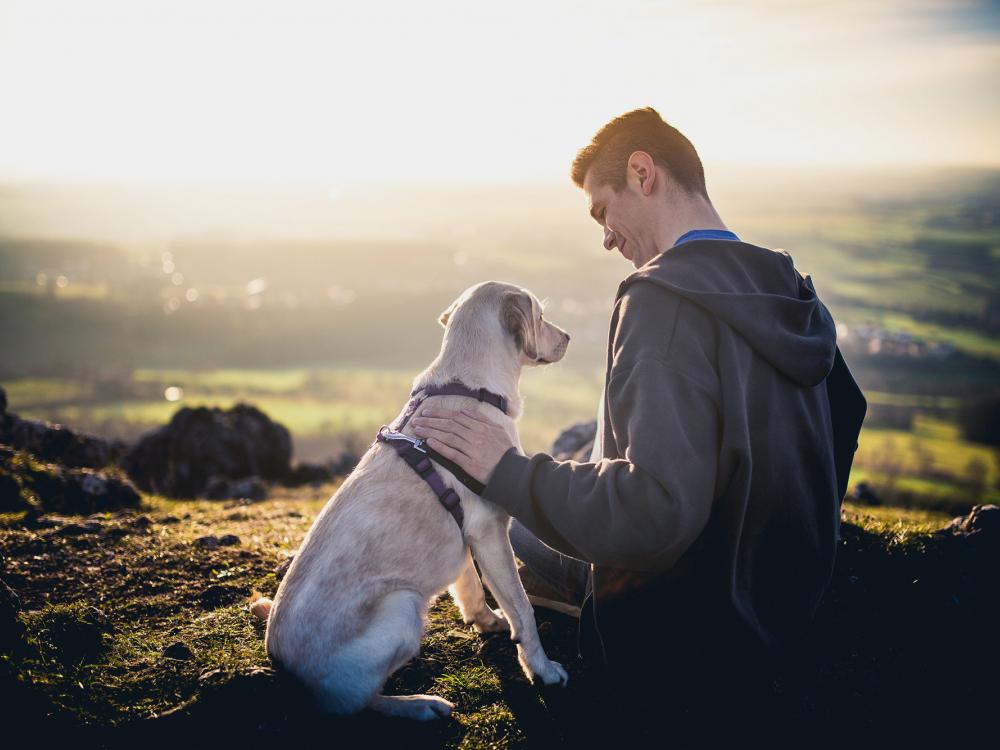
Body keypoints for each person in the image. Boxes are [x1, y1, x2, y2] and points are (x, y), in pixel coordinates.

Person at [410, 107, 867, 683]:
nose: (605, 238)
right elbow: (845, 415)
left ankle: (565, 595)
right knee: (580, 469)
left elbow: (656, 512)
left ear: (643, 172)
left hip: (700, 620)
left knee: (516, 522)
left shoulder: (659, 300)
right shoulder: (791, 288)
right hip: (788, 593)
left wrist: (509, 473)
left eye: (603, 209)